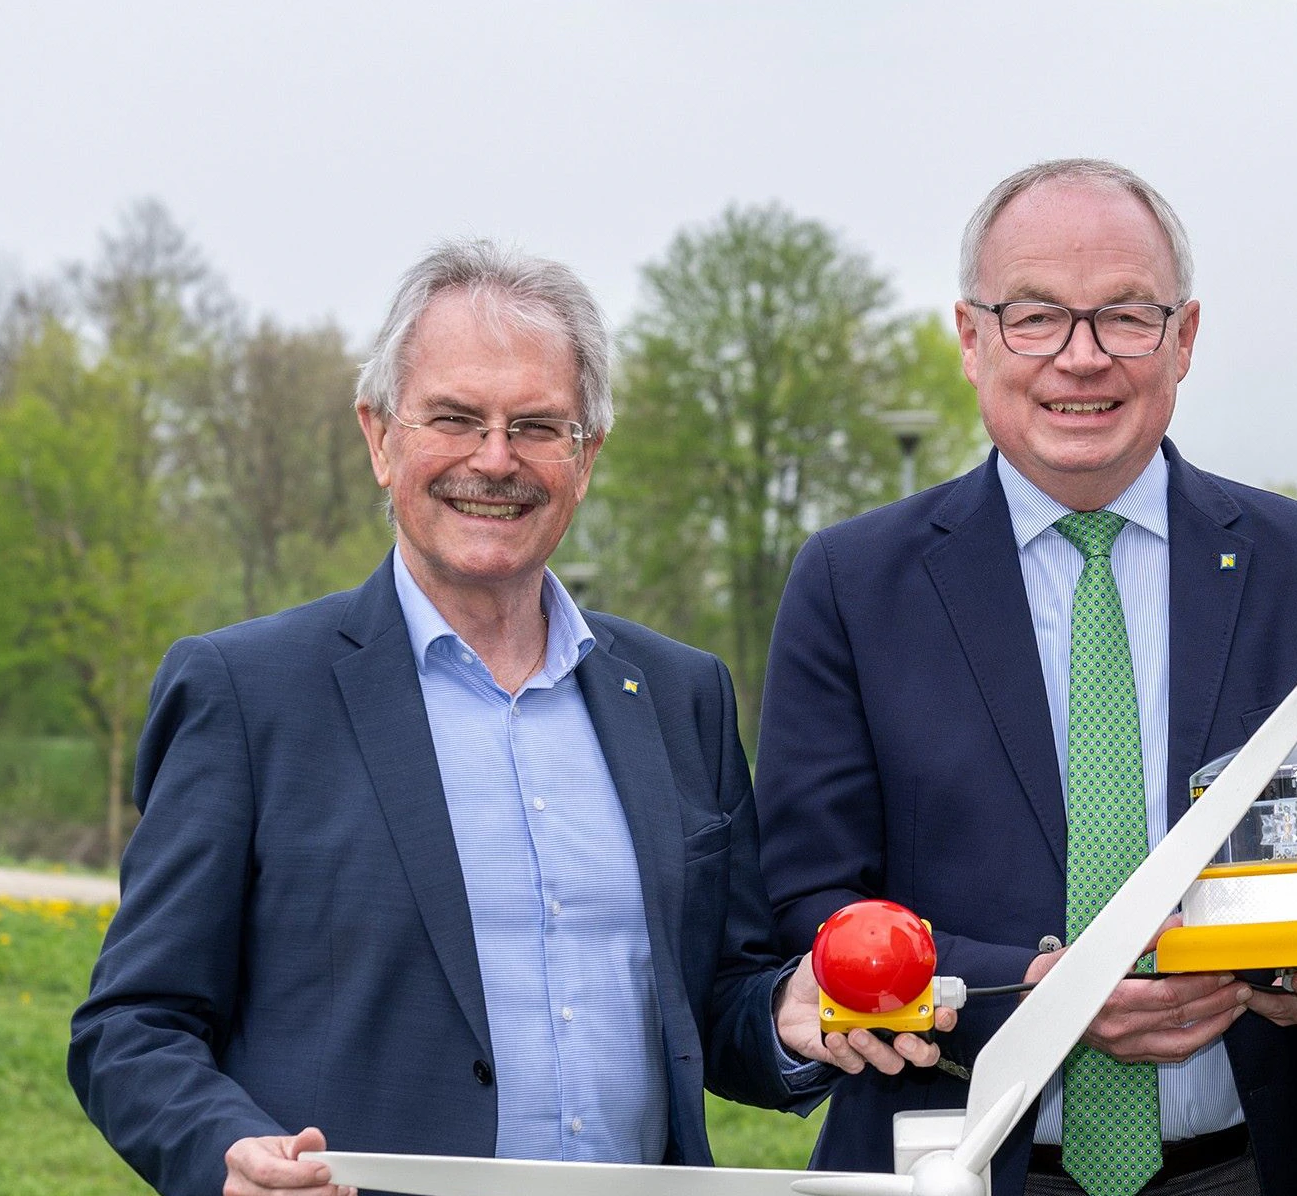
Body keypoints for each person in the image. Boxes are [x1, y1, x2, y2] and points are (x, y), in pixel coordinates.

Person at [68, 240, 946, 1196]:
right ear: (378, 436)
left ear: (587, 454)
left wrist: (784, 1011)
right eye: (454, 418)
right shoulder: (247, 693)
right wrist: (222, 1150)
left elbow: (719, 1000)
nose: (496, 460)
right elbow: (132, 1025)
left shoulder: (681, 695)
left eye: (537, 426)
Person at [754, 158, 1297, 1196]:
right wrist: (1026, 993)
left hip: (1256, 1166)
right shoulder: (852, 581)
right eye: (1034, 317)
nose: (1081, 356)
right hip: (958, 1163)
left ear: (1184, 338)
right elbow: (805, 894)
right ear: (970, 339)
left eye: (1124, 316)